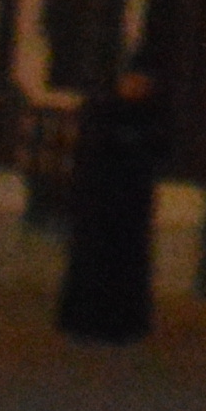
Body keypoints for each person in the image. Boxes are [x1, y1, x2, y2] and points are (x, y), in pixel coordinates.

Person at [57, 59, 168, 344]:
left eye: (143, 83)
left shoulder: (150, 116)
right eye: (133, 81)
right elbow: (90, 156)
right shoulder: (101, 112)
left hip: (131, 208)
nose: (137, 87)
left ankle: (123, 327)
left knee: (126, 269)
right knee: (94, 266)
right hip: (100, 205)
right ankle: (86, 325)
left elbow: (156, 154)